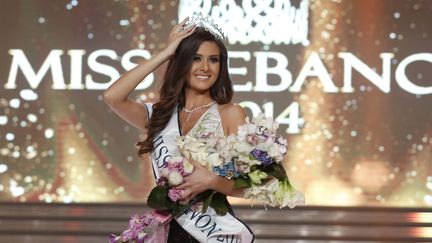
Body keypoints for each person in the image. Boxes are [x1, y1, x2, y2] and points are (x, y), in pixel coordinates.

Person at [103, 16, 254, 242]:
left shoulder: (230, 113)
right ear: (181, 62)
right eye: (195, 59)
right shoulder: (159, 115)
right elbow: (112, 97)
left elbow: (251, 186)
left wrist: (211, 181)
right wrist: (166, 53)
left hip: (211, 231)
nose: (205, 67)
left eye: (213, 60)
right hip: (168, 231)